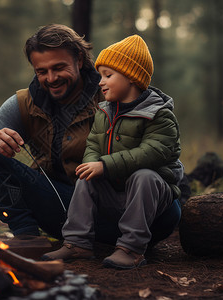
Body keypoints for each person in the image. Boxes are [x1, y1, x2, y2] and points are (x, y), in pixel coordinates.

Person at [42, 35, 184, 269]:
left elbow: (152, 152)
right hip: (116, 193)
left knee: (144, 176)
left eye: (108, 75)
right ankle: (77, 243)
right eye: (100, 75)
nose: (100, 82)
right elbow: (93, 146)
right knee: (86, 179)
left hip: (154, 198)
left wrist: (105, 165)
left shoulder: (159, 114)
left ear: (131, 77)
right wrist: (92, 165)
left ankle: (131, 248)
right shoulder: (104, 112)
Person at [0, 24, 103, 239]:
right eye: (41, 71)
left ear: (80, 60)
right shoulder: (25, 102)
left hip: (109, 210)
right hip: (59, 207)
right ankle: (27, 238)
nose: (51, 78)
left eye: (59, 68)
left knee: (169, 210)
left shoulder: (110, 92)